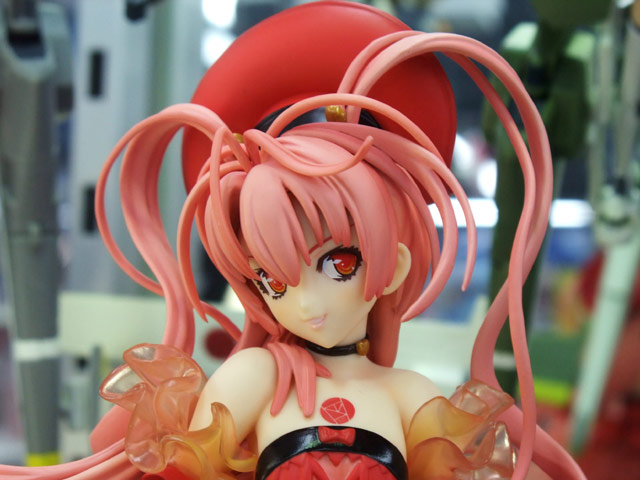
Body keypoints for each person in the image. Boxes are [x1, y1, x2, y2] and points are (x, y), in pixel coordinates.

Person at [0, 2, 586, 479]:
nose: (305, 303)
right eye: (272, 279)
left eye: (338, 264)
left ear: (395, 265)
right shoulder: (257, 375)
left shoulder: (408, 393)